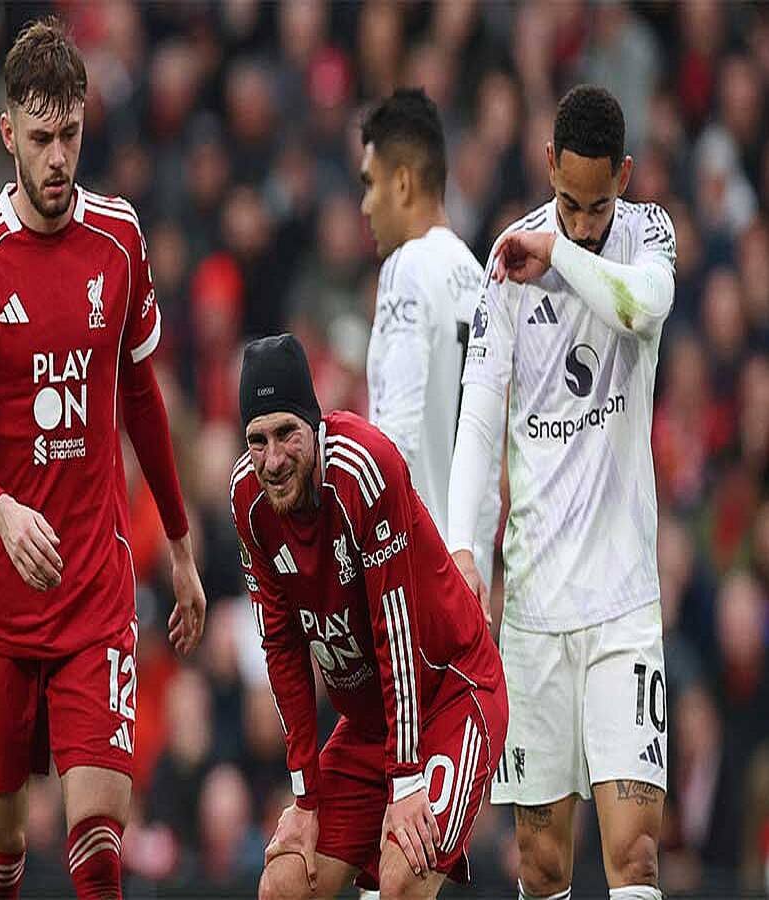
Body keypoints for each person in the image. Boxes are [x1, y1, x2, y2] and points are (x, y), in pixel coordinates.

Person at [0, 18, 206, 899]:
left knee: (97, 845)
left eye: (71, 135)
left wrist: (182, 546)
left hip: (93, 589)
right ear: (8, 132)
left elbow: (143, 400)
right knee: (1, 852)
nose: (58, 158)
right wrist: (3, 512)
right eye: (41, 138)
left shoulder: (118, 239)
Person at [448, 85, 675, 900]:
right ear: (548, 163)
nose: (581, 223)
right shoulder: (508, 260)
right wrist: (463, 550)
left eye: (597, 205)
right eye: (569, 205)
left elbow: (643, 307)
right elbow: (480, 417)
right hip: (535, 611)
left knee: (635, 855)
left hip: (623, 607)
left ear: (625, 176)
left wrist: (561, 254)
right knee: (541, 865)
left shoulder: (649, 234)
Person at [230, 333, 507, 900]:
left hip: (450, 693)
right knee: (283, 886)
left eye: (286, 434)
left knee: (402, 876)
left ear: (315, 425)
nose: (273, 460)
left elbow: (394, 629)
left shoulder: (363, 467)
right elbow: (281, 649)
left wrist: (405, 779)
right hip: (370, 725)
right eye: (258, 440)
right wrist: (305, 798)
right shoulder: (248, 502)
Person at [360, 88, 500, 613]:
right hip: (469, 583)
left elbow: (395, 435)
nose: (365, 205)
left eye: (370, 183)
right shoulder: (482, 280)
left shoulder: (407, 267)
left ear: (401, 183)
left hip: (414, 578)